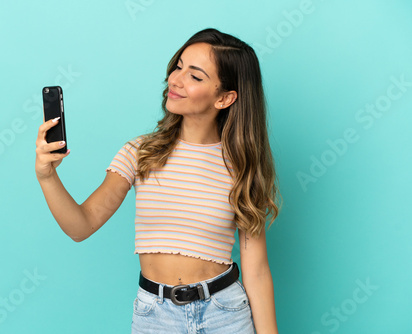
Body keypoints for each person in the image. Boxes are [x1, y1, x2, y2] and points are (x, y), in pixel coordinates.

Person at [35, 28, 280, 334]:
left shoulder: (242, 167)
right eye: (178, 67)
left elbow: (256, 271)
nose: (175, 80)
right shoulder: (140, 153)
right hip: (155, 317)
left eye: (195, 76)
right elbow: (81, 226)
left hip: (225, 314)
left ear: (225, 98)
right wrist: (47, 175)